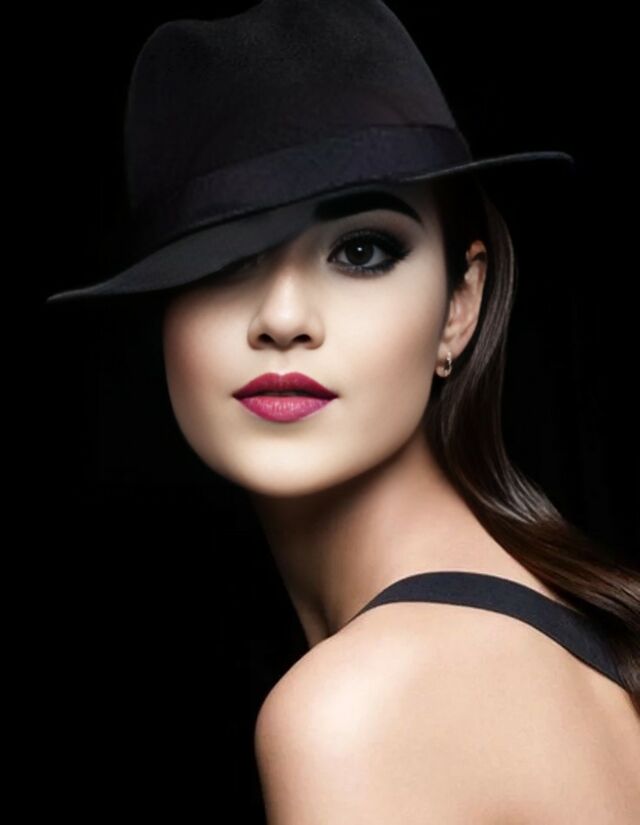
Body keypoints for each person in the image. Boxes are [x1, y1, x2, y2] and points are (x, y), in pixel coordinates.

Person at [46, 1, 640, 821]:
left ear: (460, 305)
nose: (284, 317)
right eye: (223, 256)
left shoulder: (355, 714)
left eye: (361, 250)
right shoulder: (572, 629)